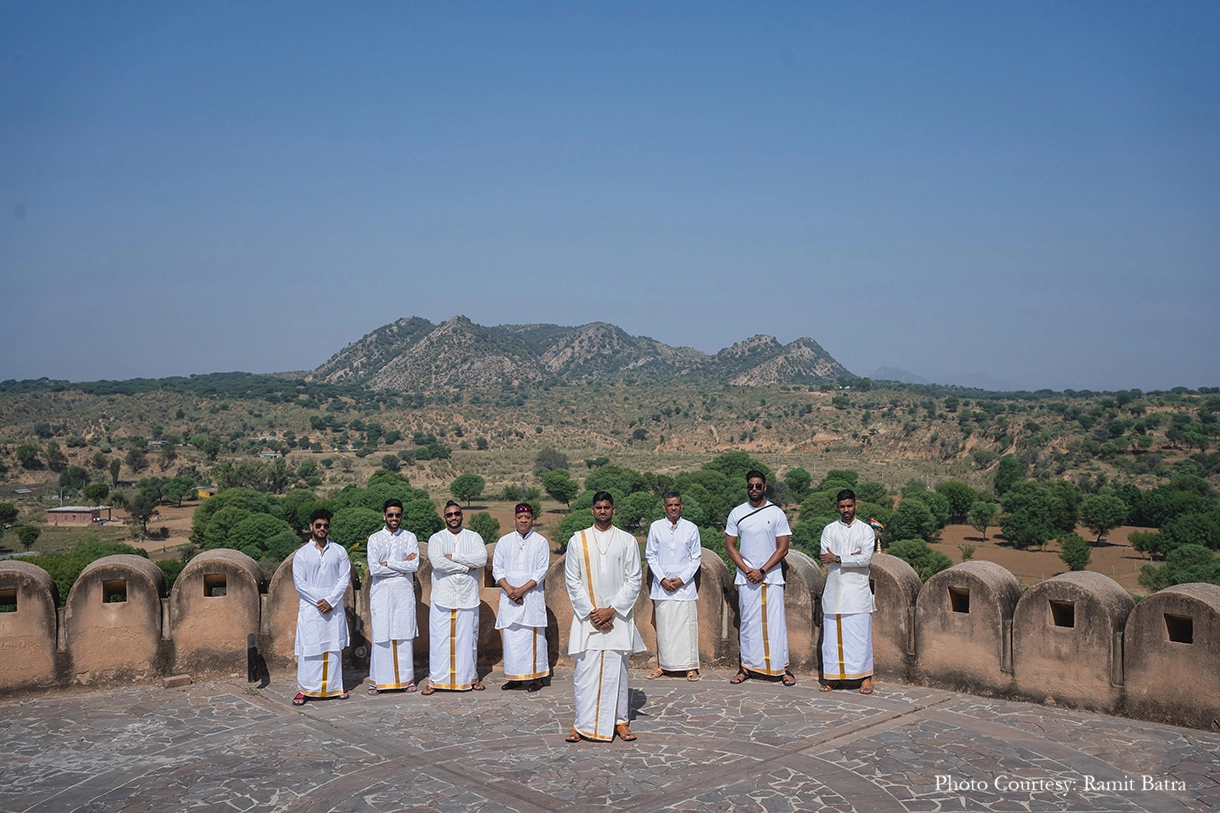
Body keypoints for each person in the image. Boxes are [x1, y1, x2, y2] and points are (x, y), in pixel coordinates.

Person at [564, 491, 645, 743]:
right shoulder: (577, 540)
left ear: (614, 510)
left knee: (617, 671)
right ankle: (581, 724)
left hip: (617, 618)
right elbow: (572, 580)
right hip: (587, 619)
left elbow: (634, 579)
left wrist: (611, 610)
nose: (602, 511)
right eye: (598, 507)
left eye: (606, 507)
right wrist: (593, 612)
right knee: (584, 672)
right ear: (592, 510)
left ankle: (620, 721)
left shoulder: (627, 540)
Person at [725, 470, 795, 686]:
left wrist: (762, 570)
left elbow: (783, 548)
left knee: (775, 623)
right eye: (750, 486)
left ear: (764, 487)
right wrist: (747, 570)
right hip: (746, 578)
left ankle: (782, 669)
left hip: (771, 576)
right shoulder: (737, 513)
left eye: (758, 486)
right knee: (748, 623)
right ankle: (746, 667)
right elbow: (730, 546)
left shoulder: (776, 513)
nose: (754, 489)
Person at [422, 501, 488, 695]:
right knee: (439, 640)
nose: (453, 518)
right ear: (445, 518)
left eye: (456, 514)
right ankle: (435, 681)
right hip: (443, 596)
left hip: (467, 596)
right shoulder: (437, 538)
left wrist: (454, 556)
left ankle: (471, 678)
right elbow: (438, 562)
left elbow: (482, 560)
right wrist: (466, 567)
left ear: (462, 515)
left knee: (468, 639)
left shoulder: (474, 537)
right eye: (449, 515)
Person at [818, 489, 877, 694]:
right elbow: (824, 558)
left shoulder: (866, 531)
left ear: (856, 505)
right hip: (834, 591)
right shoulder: (829, 529)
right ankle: (834, 678)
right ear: (837, 507)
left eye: (849, 506)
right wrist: (850, 556)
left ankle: (866, 678)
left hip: (857, 592)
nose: (846, 510)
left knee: (860, 636)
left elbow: (865, 560)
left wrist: (838, 558)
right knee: (833, 638)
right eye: (842, 506)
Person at [292, 507, 351, 705]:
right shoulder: (301, 554)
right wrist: (321, 601)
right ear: (311, 527)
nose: (322, 528)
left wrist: (331, 600)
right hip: (311, 608)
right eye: (318, 525)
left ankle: (335, 687)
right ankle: (305, 689)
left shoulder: (339, 551)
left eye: (325, 525)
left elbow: (344, 579)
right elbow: (300, 584)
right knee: (310, 649)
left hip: (333, 608)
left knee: (332, 648)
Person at [644, 491, 702, 681]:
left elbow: (696, 558)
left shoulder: (691, 528)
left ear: (681, 506)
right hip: (662, 587)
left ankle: (690, 667)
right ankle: (664, 665)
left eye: (676, 504)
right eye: (670, 505)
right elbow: (650, 555)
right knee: (664, 628)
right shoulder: (656, 527)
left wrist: (681, 580)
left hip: (684, 588)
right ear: (664, 507)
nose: (673, 508)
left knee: (686, 628)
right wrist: (662, 579)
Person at [493, 503, 550, 692]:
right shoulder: (504, 541)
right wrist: (511, 591)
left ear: (533, 519)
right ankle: (514, 678)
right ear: (514, 519)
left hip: (531, 598)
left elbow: (541, 572)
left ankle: (536, 679)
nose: (523, 521)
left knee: (532, 639)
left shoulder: (541, 542)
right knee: (512, 639)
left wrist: (521, 590)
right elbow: (497, 569)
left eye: (527, 518)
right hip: (509, 599)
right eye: (520, 517)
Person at [366, 499, 421, 695]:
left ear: (402, 516)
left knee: (404, 634)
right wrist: (400, 565)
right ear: (384, 516)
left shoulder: (409, 537)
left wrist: (387, 564)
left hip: (403, 593)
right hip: (381, 593)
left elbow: (414, 566)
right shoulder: (374, 539)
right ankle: (378, 681)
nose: (394, 518)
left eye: (398, 515)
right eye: (391, 515)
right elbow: (374, 569)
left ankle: (407, 680)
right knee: (382, 635)